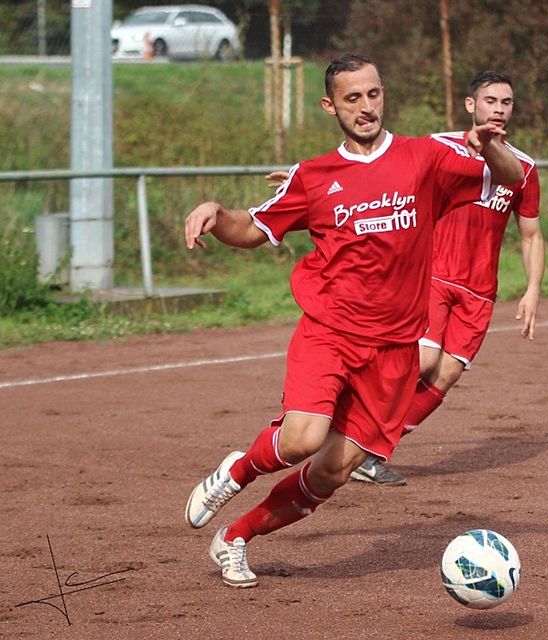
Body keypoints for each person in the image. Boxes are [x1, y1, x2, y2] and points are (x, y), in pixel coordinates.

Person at [182, 53, 523, 589]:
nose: (366, 107)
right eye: (352, 98)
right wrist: (215, 213)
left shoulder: (426, 157)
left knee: (331, 472)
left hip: (394, 350)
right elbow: (251, 229)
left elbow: (511, 179)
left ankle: (234, 539)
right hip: (331, 330)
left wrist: (493, 147)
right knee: (301, 440)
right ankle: (237, 471)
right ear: (330, 105)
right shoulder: (315, 177)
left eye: (373, 95)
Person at [350, 70, 544, 486]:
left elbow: (531, 234)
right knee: (422, 360)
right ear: (471, 105)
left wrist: (531, 290)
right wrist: (317, 178)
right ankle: (345, 412)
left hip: (479, 291)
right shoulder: (438, 147)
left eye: (506, 102)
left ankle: (368, 453)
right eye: (490, 100)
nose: (499, 108)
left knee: (447, 374)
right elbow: (377, 167)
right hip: (432, 275)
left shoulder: (524, 168)